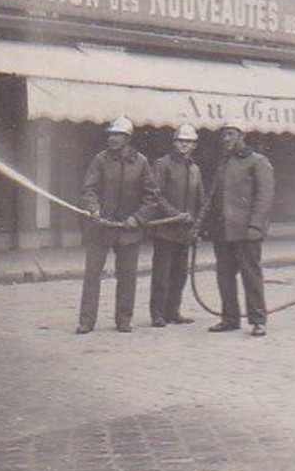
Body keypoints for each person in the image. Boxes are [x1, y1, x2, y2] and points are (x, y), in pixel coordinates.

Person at [76, 116, 161, 334]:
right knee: (92, 275)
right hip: (101, 228)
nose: (112, 138)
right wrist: (93, 208)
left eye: (118, 134)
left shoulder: (141, 162)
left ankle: (124, 319)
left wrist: (137, 218)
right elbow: (89, 189)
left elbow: (151, 197)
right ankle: (87, 321)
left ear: (128, 138)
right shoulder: (100, 160)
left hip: (129, 230)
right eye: (110, 134)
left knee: (127, 277)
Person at [204, 118, 275, 337]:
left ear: (242, 135)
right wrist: (206, 225)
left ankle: (258, 320)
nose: (226, 139)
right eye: (224, 134)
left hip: (246, 231)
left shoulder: (258, 161)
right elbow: (214, 196)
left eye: (231, 134)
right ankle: (229, 318)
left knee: (250, 276)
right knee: (224, 276)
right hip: (223, 230)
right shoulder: (224, 162)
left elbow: (264, 197)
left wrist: (255, 225)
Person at [147, 122, 205, 328]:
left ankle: (173, 311)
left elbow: (200, 200)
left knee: (180, 274)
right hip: (165, 228)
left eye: (188, 142)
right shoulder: (162, 164)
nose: (184, 145)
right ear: (174, 143)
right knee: (162, 274)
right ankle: (157, 314)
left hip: (185, 231)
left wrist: (197, 224)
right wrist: (174, 214)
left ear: (194, 145)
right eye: (181, 141)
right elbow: (155, 194)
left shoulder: (195, 169)